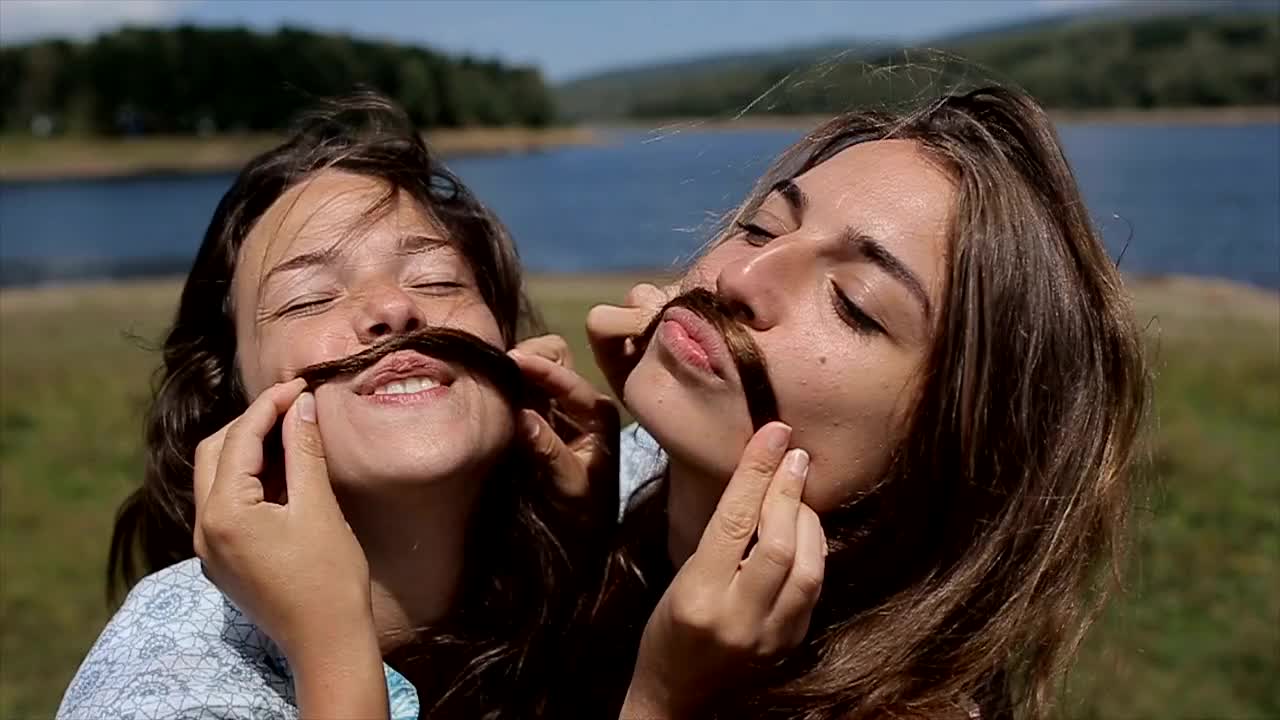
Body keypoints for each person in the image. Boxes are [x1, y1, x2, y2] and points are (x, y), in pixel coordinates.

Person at [193, 84, 1149, 720]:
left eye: (855, 304)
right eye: (761, 223)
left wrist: (664, 700)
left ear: (945, 455)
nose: (743, 278)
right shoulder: (612, 518)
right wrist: (580, 548)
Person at [56, 94, 613, 720]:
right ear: (233, 400)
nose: (393, 310)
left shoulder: (624, 525)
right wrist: (330, 647)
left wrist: (608, 548)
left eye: (437, 280)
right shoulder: (160, 676)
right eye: (308, 298)